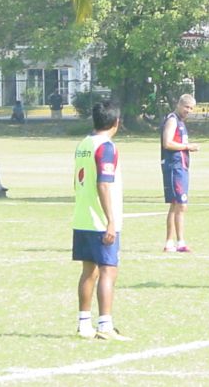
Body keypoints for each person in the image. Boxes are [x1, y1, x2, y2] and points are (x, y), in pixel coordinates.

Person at [72, 100, 131, 340]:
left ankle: (84, 324)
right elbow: (103, 184)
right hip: (99, 220)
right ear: (116, 122)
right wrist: (111, 221)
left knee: (89, 271)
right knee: (108, 270)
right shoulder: (106, 147)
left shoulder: (83, 144)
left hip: (82, 217)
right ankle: (105, 325)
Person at [160, 94, 200, 252]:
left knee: (176, 204)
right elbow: (167, 143)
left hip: (181, 166)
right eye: (187, 107)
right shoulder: (172, 120)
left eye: (191, 109)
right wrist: (188, 146)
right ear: (179, 105)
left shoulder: (181, 122)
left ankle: (170, 242)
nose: (188, 111)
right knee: (181, 204)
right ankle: (180, 242)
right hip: (174, 166)